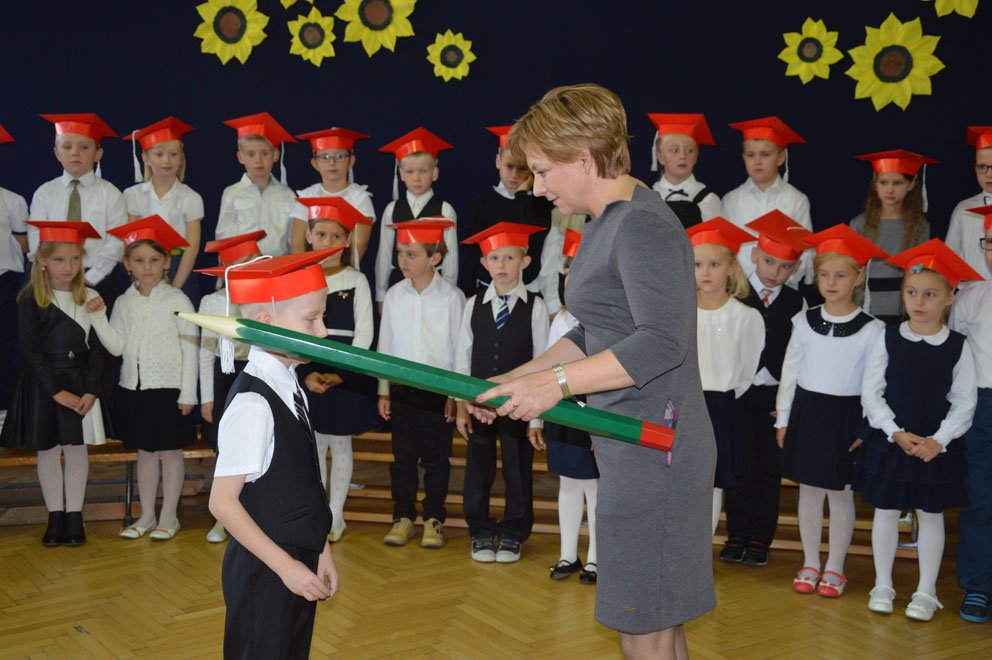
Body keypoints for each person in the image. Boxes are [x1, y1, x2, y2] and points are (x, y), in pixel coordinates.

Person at [467, 83, 716, 659]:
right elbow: (594, 332)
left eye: (542, 171)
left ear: (582, 158)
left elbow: (662, 343)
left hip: (658, 448)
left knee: (643, 626)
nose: (537, 187)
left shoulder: (642, 226)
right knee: (655, 620)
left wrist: (552, 387)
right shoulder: (605, 220)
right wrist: (516, 381)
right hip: (631, 445)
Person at [206, 250, 339, 659]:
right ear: (265, 323)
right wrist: (285, 567)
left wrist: (320, 548)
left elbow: (303, 482)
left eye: (322, 317)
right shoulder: (253, 403)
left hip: (297, 555)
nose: (323, 331)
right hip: (265, 567)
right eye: (311, 319)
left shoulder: (291, 383)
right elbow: (222, 503)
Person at [856, 239, 980, 621]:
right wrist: (893, 431)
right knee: (886, 511)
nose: (919, 301)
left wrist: (938, 441)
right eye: (911, 292)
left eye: (930, 294)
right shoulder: (888, 337)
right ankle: (882, 584)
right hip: (893, 440)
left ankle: (926, 591)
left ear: (949, 297)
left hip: (933, 445)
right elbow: (871, 391)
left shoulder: (957, 346)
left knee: (930, 514)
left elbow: (964, 400)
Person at [776, 224, 887, 598]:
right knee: (808, 491)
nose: (831, 282)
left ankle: (835, 567)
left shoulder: (872, 330)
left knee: (840, 494)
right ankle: (810, 562)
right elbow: (790, 372)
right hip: (808, 413)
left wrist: (866, 427)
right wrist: (784, 418)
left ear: (858, 277)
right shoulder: (803, 321)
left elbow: (874, 384)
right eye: (824, 275)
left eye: (840, 275)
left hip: (845, 417)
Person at [0, 222, 113, 547]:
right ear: (42, 261)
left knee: (76, 449)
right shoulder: (31, 298)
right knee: (48, 450)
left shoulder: (90, 296)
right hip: (45, 385)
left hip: (80, 382)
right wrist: (55, 391)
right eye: (60, 260)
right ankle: (55, 516)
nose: (69, 267)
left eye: (75, 259)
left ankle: (74, 516)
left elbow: (98, 349)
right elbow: (31, 350)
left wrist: (91, 389)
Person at [89, 216, 198, 541]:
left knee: (170, 452)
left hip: (169, 390)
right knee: (145, 453)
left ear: (167, 262)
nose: (147, 267)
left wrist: (188, 393)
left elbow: (190, 348)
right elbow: (117, 346)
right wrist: (98, 318)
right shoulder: (124, 302)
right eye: (139, 260)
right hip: (135, 390)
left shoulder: (177, 299)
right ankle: (147, 515)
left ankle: (169, 516)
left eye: (154, 260)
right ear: (127, 264)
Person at [455, 222, 549, 563]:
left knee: (517, 467)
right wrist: (461, 405)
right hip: (479, 405)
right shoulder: (473, 304)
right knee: (478, 468)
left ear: (525, 261)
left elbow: (542, 361)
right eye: (494, 258)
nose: (502, 265)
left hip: (520, 405)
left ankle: (513, 532)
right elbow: (462, 356)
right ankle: (479, 529)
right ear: (484, 263)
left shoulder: (536, 307)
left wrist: (536, 420)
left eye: (509, 257)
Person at [721, 210, 810, 567]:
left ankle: (761, 537)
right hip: (739, 394)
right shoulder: (734, 295)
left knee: (768, 472)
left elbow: (799, 355)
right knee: (738, 467)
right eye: (769, 261)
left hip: (774, 397)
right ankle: (736, 534)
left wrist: (788, 403)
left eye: (785, 267)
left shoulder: (797, 303)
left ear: (796, 267)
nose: (775, 272)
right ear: (755, 255)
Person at [377, 219, 465, 549]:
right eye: (400, 252)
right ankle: (402, 517)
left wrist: (455, 396)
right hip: (402, 391)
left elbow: (459, 348)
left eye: (411, 254)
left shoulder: (452, 297)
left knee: (436, 459)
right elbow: (386, 344)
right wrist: (383, 389)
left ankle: (433, 519)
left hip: (438, 392)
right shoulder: (394, 295)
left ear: (434, 258)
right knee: (402, 459)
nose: (403, 260)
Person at [294, 197, 377, 544]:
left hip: (345, 373)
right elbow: (292, 328)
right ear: (308, 236)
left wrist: (343, 372)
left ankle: (336, 513)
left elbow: (365, 333)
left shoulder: (356, 280)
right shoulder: (300, 278)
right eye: (321, 235)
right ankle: (317, 512)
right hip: (309, 369)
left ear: (347, 240)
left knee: (340, 444)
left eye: (335, 236)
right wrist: (305, 373)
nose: (327, 243)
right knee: (313, 444)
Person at [686, 218, 764, 536]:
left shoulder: (745, 317)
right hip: (684, 405)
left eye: (714, 264)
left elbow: (746, 371)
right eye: (697, 264)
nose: (705, 272)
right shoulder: (681, 312)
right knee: (683, 479)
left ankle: (700, 550)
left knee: (713, 482)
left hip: (722, 408)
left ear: (731, 267)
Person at [197, 229, 267, 543]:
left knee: (257, 443)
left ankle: (254, 515)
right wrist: (206, 398)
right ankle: (223, 518)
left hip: (256, 374)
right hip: (224, 375)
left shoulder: (265, 300)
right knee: (225, 448)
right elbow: (204, 351)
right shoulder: (211, 301)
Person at [543, 229, 599, 584]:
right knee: (568, 483)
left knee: (595, 488)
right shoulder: (561, 320)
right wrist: (536, 421)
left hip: (594, 411)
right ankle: (567, 554)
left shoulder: (607, 324)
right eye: (568, 273)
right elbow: (547, 369)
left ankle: (596, 558)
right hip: (563, 411)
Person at [28, 113, 127, 310]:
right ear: (57, 153)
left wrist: (91, 278)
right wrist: (49, 270)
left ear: (98, 154)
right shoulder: (45, 192)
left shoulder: (110, 193)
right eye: (67, 147)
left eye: (84, 147)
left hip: (97, 280)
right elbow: (35, 234)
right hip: (50, 280)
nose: (75, 153)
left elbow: (117, 239)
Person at [950, 204, 992, 623]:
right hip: (983, 408)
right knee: (980, 498)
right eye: (989, 243)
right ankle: (978, 585)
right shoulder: (971, 297)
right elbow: (957, 359)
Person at [458, 126, 553, 295]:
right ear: (498, 162)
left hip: (528, 290)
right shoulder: (483, 205)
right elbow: (470, 254)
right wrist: (467, 293)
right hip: (489, 290)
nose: (514, 175)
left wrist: (522, 196)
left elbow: (538, 240)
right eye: (509, 166)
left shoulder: (540, 203)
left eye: (522, 168)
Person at [722, 116, 813, 289]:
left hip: (782, 289)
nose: (757, 161)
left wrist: (784, 281)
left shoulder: (796, 200)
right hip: (741, 289)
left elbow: (805, 251)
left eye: (765, 154)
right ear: (743, 158)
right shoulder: (731, 201)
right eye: (751, 155)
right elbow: (725, 250)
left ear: (781, 157)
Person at [374, 128, 458, 306]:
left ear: (435, 173)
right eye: (410, 171)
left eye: (423, 171)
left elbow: (450, 257)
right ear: (401, 174)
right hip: (399, 287)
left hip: (435, 289)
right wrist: (381, 294)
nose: (417, 178)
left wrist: (449, 290)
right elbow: (384, 254)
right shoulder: (391, 210)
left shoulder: (445, 210)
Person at [122, 116, 203, 300]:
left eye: (173, 154)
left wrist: (175, 287)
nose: (166, 160)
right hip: (144, 268)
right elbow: (130, 242)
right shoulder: (133, 195)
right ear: (145, 158)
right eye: (159, 154)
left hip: (179, 269)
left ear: (181, 159)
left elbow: (192, 248)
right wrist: (139, 275)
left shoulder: (191, 197)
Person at [849, 150, 933, 323]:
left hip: (902, 302)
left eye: (898, 183)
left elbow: (919, 268)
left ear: (911, 184)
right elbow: (852, 267)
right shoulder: (859, 224)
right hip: (866, 301)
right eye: (884, 182)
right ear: (875, 184)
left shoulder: (919, 226)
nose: (890, 189)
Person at [215, 112, 297, 257]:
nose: (258, 160)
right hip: (244, 264)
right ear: (240, 157)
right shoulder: (232, 193)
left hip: (279, 264)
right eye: (251, 154)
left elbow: (293, 237)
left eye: (265, 153)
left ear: (275, 155)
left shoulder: (287, 195)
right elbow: (223, 237)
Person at [288, 127, 376, 263]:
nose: (332, 163)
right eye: (324, 157)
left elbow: (358, 248)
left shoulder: (360, 198)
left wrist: (339, 273)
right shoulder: (306, 196)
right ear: (315, 163)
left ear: (351, 161)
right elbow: (297, 244)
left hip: (346, 272)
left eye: (339, 156)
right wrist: (309, 272)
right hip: (309, 271)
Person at [647, 113, 721, 228]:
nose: (682, 156)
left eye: (690, 150)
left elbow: (713, 238)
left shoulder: (707, 199)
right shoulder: (648, 198)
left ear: (696, 156)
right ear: (660, 156)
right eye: (674, 150)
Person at [0, 122, 28, 418]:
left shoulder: (11, 201)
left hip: (3, 283)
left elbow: (23, 242)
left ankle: (4, 413)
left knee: (3, 348)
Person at [945, 127, 992, 280]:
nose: (989, 174)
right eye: (982, 167)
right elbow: (950, 256)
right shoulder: (964, 209)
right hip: (971, 290)